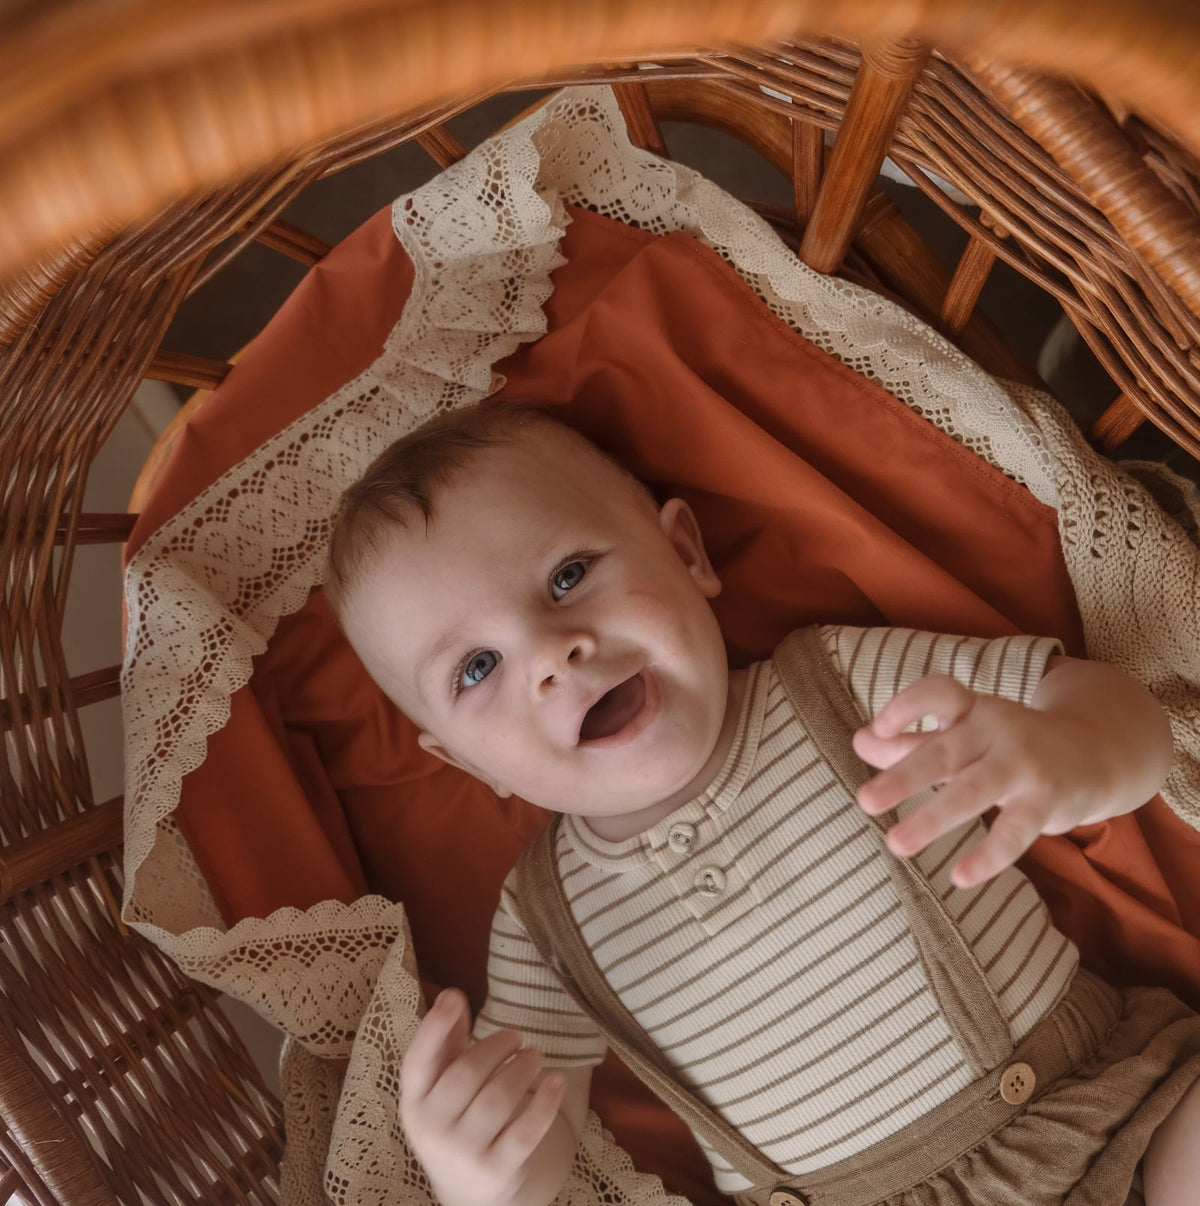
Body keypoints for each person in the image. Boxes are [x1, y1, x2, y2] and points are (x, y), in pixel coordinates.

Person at [324, 402, 1200, 1206]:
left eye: (568, 576)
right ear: (469, 764)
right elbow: (545, 1119)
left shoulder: (834, 684)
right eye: (476, 669)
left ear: (687, 554)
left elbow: (1125, 714)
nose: (553, 654)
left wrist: (1066, 752)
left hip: (1099, 1116)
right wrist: (484, 1179)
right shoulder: (542, 913)